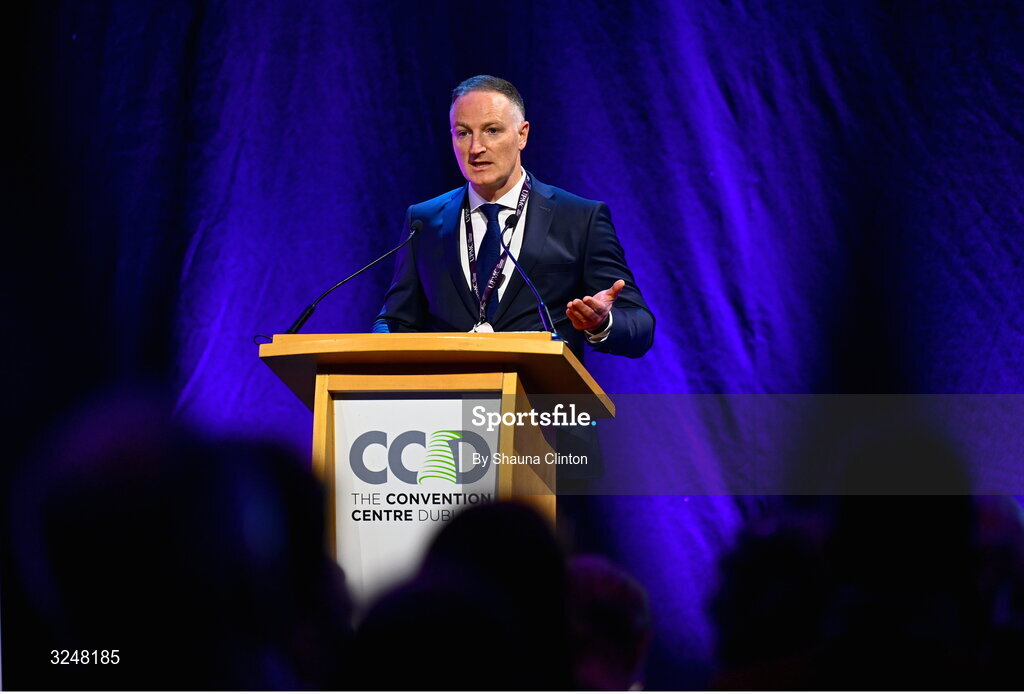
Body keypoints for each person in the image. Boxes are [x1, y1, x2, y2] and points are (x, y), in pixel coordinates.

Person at [373, 75, 654, 360]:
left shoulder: (579, 218)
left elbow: (639, 326)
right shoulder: (424, 221)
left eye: (492, 130)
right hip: (448, 397)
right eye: (463, 133)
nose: (476, 148)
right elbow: (396, 320)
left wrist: (601, 323)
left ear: (522, 134)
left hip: (539, 398)